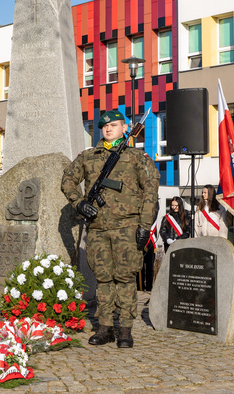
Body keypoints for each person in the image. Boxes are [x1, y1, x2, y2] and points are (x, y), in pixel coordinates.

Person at [61, 109, 160, 349]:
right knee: (103, 278)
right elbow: (67, 180)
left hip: (127, 227)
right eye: (104, 126)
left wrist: (145, 226)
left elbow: (150, 191)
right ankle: (104, 328)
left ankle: (124, 329)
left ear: (124, 128)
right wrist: (80, 203)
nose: (108, 129)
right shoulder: (88, 156)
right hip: (97, 229)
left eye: (114, 125)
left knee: (125, 278)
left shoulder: (137, 157)